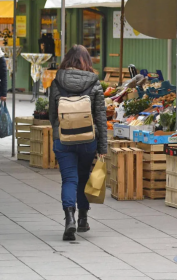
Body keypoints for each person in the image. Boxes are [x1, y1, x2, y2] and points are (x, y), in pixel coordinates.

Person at [48, 45, 107, 241]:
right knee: (83, 177)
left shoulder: (57, 81)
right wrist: (102, 148)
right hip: (88, 139)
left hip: (63, 139)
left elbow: (51, 113)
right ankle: (83, 219)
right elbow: (100, 117)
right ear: (86, 61)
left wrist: (59, 130)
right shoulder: (94, 83)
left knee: (69, 179)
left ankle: (69, 219)